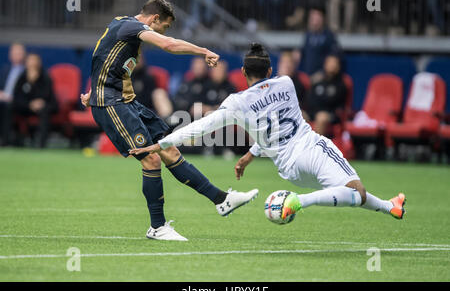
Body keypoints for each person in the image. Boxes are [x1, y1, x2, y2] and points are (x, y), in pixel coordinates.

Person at [131, 43, 406, 223]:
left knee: (348, 190)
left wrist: (161, 143)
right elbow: (280, 119)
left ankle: (389, 206)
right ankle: (296, 202)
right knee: (355, 192)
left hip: (289, 169)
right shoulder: (286, 84)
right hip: (310, 150)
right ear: (271, 70)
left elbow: (197, 128)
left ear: (242, 72)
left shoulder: (236, 103)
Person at [80, 0, 257, 242]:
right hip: (112, 104)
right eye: (165, 26)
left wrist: (94, 89)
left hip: (126, 102)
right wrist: (203, 50)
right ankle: (157, 227)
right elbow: (170, 45)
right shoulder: (133, 27)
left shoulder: (121, 27)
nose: (165, 31)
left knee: (169, 150)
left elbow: (103, 57)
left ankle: (222, 199)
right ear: (154, 19)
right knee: (151, 159)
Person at [13, 53, 58, 148]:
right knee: (8, 107)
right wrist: (29, 104)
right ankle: (9, 140)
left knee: (44, 110)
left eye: (35, 61)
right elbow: (17, 96)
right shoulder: (22, 77)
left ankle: (40, 144)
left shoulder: (45, 77)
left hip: (42, 106)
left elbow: (47, 96)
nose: (33, 64)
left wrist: (33, 84)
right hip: (26, 106)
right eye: (30, 61)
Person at [307, 54, 347, 136]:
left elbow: (334, 102)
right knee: (298, 115)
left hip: (331, 114)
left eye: (335, 63)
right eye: (330, 63)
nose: (332, 65)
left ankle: (316, 148)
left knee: (321, 117)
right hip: (313, 112)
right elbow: (309, 99)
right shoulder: (317, 81)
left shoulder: (341, 84)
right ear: (325, 64)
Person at [298, 7, 341, 75]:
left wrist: (323, 74)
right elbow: (303, 53)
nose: (315, 21)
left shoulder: (329, 36)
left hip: (323, 78)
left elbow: (334, 57)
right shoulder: (308, 35)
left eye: (317, 18)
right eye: (312, 18)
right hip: (307, 77)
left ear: (323, 19)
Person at [0, 43, 26, 146]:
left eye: (19, 53)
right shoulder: (4, 70)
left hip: (18, 102)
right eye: (14, 53)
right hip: (3, 100)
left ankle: (4, 141)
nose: (16, 55)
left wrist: (12, 97)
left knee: (7, 106)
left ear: (24, 55)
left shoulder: (27, 72)